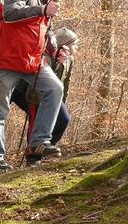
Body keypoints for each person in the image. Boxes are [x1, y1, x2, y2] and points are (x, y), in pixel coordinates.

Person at [0, 0, 66, 170]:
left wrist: (56, 50)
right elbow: (10, 14)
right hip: (5, 60)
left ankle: (39, 141)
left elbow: (44, 29)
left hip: (31, 61)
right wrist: (42, 9)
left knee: (55, 89)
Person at [10, 28, 78, 166]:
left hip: (52, 96)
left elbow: (65, 82)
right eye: (74, 45)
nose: (76, 48)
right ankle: (33, 157)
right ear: (65, 45)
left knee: (64, 119)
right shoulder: (46, 56)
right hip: (33, 94)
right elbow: (38, 78)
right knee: (35, 121)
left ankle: (45, 148)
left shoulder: (69, 60)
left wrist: (61, 101)